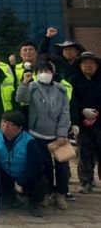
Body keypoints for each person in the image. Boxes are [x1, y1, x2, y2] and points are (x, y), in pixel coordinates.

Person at [15, 58, 71, 209]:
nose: (44, 73)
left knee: (63, 167)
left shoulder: (61, 89)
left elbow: (65, 112)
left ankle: (60, 194)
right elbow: (20, 98)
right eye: (40, 71)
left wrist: (62, 133)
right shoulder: (32, 86)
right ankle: (45, 193)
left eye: (47, 71)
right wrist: (24, 83)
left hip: (57, 136)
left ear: (53, 72)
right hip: (37, 134)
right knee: (45, 166)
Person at [0, 110, 49, 217]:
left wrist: (20, 182)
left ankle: (34, 203)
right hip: (5, 174)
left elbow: (35, 166)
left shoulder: (30, 142)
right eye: (4, 122)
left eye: (11, 124)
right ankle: (8, 198)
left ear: (20, 128)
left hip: (24, 175)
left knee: (41, 181)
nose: (6, 126)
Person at [69, 51, 101, 194]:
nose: (88, 65)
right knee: (84, 152)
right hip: (82, 123)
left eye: (91, 63)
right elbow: (72, 100)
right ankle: (85, 181)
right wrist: (82, 111)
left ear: (96, 65)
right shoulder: (73, 80)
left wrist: (95, 114)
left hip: (99, 122)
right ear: (80, 65)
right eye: (85, 63)